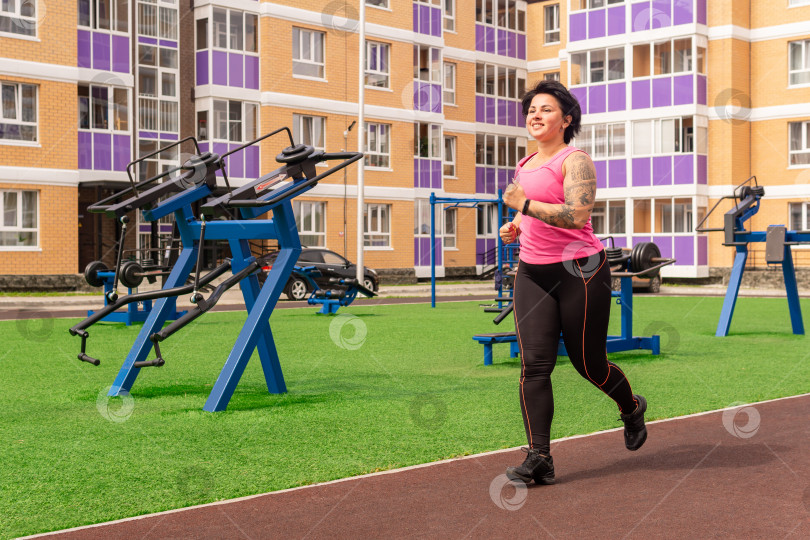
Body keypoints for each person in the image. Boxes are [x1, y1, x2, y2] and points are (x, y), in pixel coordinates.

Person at [499, 80, 647, 486]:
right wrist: (514, 225)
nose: (535, 114)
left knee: (588, 364)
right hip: (531, 271)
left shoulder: (575, 160)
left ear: (566, 120)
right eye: (531, 109)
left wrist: (523, 205)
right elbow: (528, 215)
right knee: (534, 367)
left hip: (579, 270)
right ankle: (539, 456)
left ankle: (631, 407)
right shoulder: (524, 165)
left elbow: (576, 215)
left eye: (545, 109)